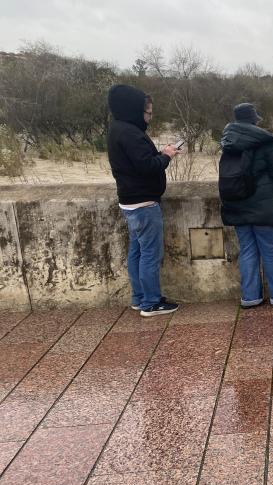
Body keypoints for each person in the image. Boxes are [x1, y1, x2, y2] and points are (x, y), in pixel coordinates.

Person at [107, 84, 180, 317]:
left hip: (130, 201)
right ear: (134, 110)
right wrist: (166, 156)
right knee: (150, 254)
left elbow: (137, 163)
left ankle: (139, 298)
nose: (149, 118)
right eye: (147, 113)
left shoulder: (117, 129)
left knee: (137, 252)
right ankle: (151, 302)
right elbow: (147, 167)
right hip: (144, 204)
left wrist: (159, 154)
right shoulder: (131, 133)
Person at [220, 103, 273, 310]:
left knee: (247, 251)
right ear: (255, 120)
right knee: (271, 252)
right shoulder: (267, 142)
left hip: (237, 207)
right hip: (265, 209)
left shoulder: (228, 143)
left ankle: (250, 297)